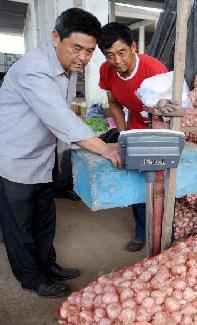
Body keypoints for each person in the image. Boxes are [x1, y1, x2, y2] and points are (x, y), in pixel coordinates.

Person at [0, 8, 122, 298]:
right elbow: (59, 118)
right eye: (77, 48)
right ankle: (31, 278)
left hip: (42, 157)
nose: (83, 57)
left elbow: (64, 115)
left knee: (44, 218)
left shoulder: (67, 69)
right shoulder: (34, 69)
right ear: (56, 37)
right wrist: (104, 147)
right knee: (20, 226)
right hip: (16, 158)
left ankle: (48, 265)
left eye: (90, 51)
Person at [98, 22, 170, 252]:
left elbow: (170, 109)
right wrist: (124, 134)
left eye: (121, 52)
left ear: (133, 47)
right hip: (136, 128)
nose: (117, 61)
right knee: (138, 184)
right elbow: (114, 102)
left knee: (162, 186)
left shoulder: (153, 68)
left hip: (161, 130)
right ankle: (141, 231)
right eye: (110, 55)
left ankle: (168, 233)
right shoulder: (106, 70)